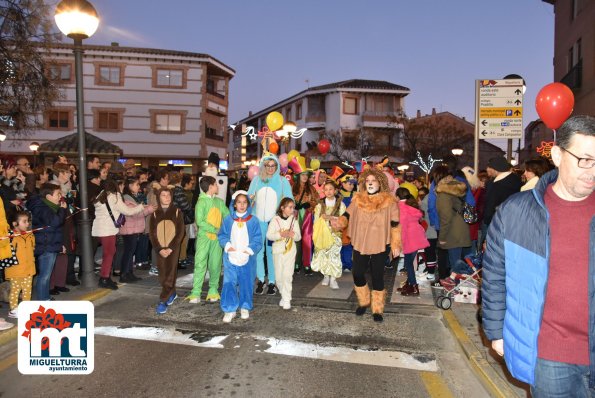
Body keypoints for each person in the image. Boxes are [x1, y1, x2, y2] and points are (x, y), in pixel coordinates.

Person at [482, 115, 595, 397]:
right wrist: (495, 331)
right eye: (585, 159)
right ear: (557, 155)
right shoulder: (517, 211)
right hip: (549, 354)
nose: (592, 171)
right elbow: (495, 274)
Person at [346, 167, 401, 322]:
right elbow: (347, 214)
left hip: (380, 243)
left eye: (373, 180)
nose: (370, 183)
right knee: (357, 273)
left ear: (380, 182)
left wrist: (396, 243)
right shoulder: (358, 199)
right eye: (367, 181)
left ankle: (377, 309)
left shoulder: (389, 201)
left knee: (377, 276)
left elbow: (395, 224)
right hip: (361, 243)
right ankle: (364, 301)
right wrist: (340, 221)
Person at [247, 154, 293, 295]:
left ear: (277, 166)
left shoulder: (282, 181)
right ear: (263, 166)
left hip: (274, 224)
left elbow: (289, 201)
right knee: (258, 252)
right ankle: (261, 279)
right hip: (258, 222)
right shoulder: (256, 180)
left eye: (273, 165)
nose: (271, 168)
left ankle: (272, 281)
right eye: (268, 165)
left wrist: (283, 217)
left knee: (273, 253)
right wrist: (251, 200)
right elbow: (247, 200)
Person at [92, 179, 151, 290]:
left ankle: (105, 277)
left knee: (108, 253)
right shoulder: (115, 196)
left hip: (100, 228)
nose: (123, 187)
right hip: (108, 229)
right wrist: (141, 206)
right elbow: (128, 211)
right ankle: (104, 278)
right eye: (122, 185)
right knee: (109, 254)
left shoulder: (102, 195)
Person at [218, 191, 262, 322]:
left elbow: (257, 239)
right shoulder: (228, 219)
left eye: (244, 202)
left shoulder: (253, 220)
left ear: (248, 204)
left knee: (246, 283)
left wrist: (249, 250)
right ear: (234, 204)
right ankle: (230, 309)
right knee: (229, 283)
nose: (242, 205)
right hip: (230, 257)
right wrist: (227, 246)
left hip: (247, 258)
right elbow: (222, 235)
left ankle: (245, 306)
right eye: (239, 202)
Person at [188, 176, 229, 303]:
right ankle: (196, 292)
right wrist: (216, 229)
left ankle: (213, 290)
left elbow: (228, 216)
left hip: (216, 240)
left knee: (215, 264)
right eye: (216, 184)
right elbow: (200, 222)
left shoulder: (219, 202)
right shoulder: (201, 203)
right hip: (203, 238)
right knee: (200, 263)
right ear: (210, 187)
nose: (218, 186)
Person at [27, 183, 68, 301]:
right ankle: (42, 300)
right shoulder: (42, 208)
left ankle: (45, 298)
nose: (60, 196)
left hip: (50, 243)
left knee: (46, 275)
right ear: (49, 196)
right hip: (45, 245)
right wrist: (62, 210)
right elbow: (54, 223)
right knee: (44, 276)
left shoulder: (47, 206)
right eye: (57, 194)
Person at [150, 187, 185, 315]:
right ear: (159, 197)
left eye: (168, 195)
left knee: (170, 273)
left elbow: (180, 232)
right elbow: (152, 234)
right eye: (163, 195)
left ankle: (163, 300)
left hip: (173, 248)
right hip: (160, 249)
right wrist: (159, 249)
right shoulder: (154, 214)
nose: (166, 197)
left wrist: (171, 247)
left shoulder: (176, 212)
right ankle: (172, 292)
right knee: (163, 273)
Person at [311, 180, 346, 290]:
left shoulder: (340, 204)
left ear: (335, 190)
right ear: (323, 191)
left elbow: (343, 220)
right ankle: (326, 276)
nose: (328, 191)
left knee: (334, 256)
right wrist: (322, 218)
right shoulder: (320, 205)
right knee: (323, 254)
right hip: (323, 234)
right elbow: (316, 220)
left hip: (335, 233)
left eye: (331, 189)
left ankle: (333, 279)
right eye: (326, 189)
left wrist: (331, 218)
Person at [267, 197, 301, 310]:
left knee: (287, 275)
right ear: (282, 208)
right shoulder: (275, 220)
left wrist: (292, 234)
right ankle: (283, 294)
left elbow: (298, 237)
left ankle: (287, 299)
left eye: (293, 207)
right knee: (279, 277)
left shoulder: (293, 220)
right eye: (290, 207)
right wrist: (280, 234)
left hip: (290, 251)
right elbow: (269, 235)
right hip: (277, 251)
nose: (292, 209)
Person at [396, 187, 429, 296]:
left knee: (408, 263)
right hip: (416, 235)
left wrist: (400, 242)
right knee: (409, 262)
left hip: (409, 237)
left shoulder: (401, 207)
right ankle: (409, 284)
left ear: (397, 197)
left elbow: (403, 226)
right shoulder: (411, 205)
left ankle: (414, 287)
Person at [119, 177, 154, 282]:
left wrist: (146, 208)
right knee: (129, 252)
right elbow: (134, 213)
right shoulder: (126, 198)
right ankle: (124, 274)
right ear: (130, 186)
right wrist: (149, 209)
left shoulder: (132, 197)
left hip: (132, 228)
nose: (139, 186)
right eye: (136, 184)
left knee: (130, 252)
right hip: (129, 228)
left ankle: (129, 273)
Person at [5, 211, 35, 318]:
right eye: (24, 221)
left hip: (29, 269)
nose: (27, 224)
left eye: (28, 221)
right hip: (15, 270)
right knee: (15, 290)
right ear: (15, 224)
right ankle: (13, 310)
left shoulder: (30, 234)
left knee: (27, 290)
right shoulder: (10, 237)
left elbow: (33, 248)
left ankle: (25, 308)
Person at [290, 160, 317, 275]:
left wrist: (309, 205)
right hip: (295, 216)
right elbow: (287, 200)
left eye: (306, 175)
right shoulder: (292, 187)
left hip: (307, 215)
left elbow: (316, 201)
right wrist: (293, 206)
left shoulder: (311, 188)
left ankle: (307, 264)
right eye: (303, 175)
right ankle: (296, 263)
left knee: (307, 239)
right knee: (296, 239)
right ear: (298, 176)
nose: (305, 177)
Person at [339, 174, 356, 272]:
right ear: (343, 184)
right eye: (349, 184)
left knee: (348, 244)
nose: (351, 186)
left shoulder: (355, 195)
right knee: (339, 243)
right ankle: (340, 263)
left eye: (353, 185)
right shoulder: (337, 194)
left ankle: (347, 264)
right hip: (340, 223)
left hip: (351, 223)